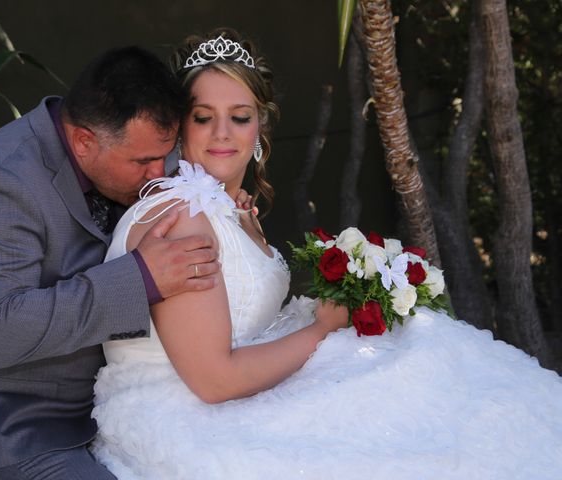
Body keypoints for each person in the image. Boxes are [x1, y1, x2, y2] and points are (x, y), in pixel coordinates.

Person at [90, 28, 562, 480]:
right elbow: (214, 381)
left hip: (233, 388)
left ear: (260, 126)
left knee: (424, 363)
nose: (221, 133)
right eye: (202, 116)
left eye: (239, 116)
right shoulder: (185, 214)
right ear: (178, 125)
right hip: (184, 415)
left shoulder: (222, 209)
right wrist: (321, 327)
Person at [0, 45, 260, 480]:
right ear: (83, 141)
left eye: (165, 154)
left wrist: (225, 212)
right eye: (143, 162)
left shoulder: (131, 147)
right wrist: (141, 278)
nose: (161, 173)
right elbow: (1, 330)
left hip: (111, 412)